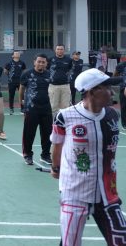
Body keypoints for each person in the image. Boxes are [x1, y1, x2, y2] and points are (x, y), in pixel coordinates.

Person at [50, 68, 126, 245]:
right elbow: (57, 144)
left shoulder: (112, 115)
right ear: (92, 91)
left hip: (107, 193)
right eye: (107, 87)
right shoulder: (65, 116)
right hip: (75, 193)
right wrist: (56, 168)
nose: (112, 92)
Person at [19, 53, 53, 166]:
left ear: (46, 64)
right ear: (34, 62)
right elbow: (22, 88)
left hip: (46, 108)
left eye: (43, 62)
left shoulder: (49, 74)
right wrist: (22, 102)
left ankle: (45, 155)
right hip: (31, 108)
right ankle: (28, 155)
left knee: (47, 133)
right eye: (39, 61)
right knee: (29, 133)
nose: (41, 64)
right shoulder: (27, 74)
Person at [49, 44, 73, 114]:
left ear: (64, 50)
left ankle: (64, 124)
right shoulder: (50, 59)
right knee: (53, 106)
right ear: (55, 50)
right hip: (53, 86)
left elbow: (69, 69)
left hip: (65, 86)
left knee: (65, 107)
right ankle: (53, 124)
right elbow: (46, 70)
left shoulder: (69, 60)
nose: (60, 51)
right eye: (58, 49)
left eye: (61, 49)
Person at [114, 58, 126, 129]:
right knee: (124, 106)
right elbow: (115, 75)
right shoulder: (121, 65)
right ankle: (124, 124)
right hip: (123, 88)